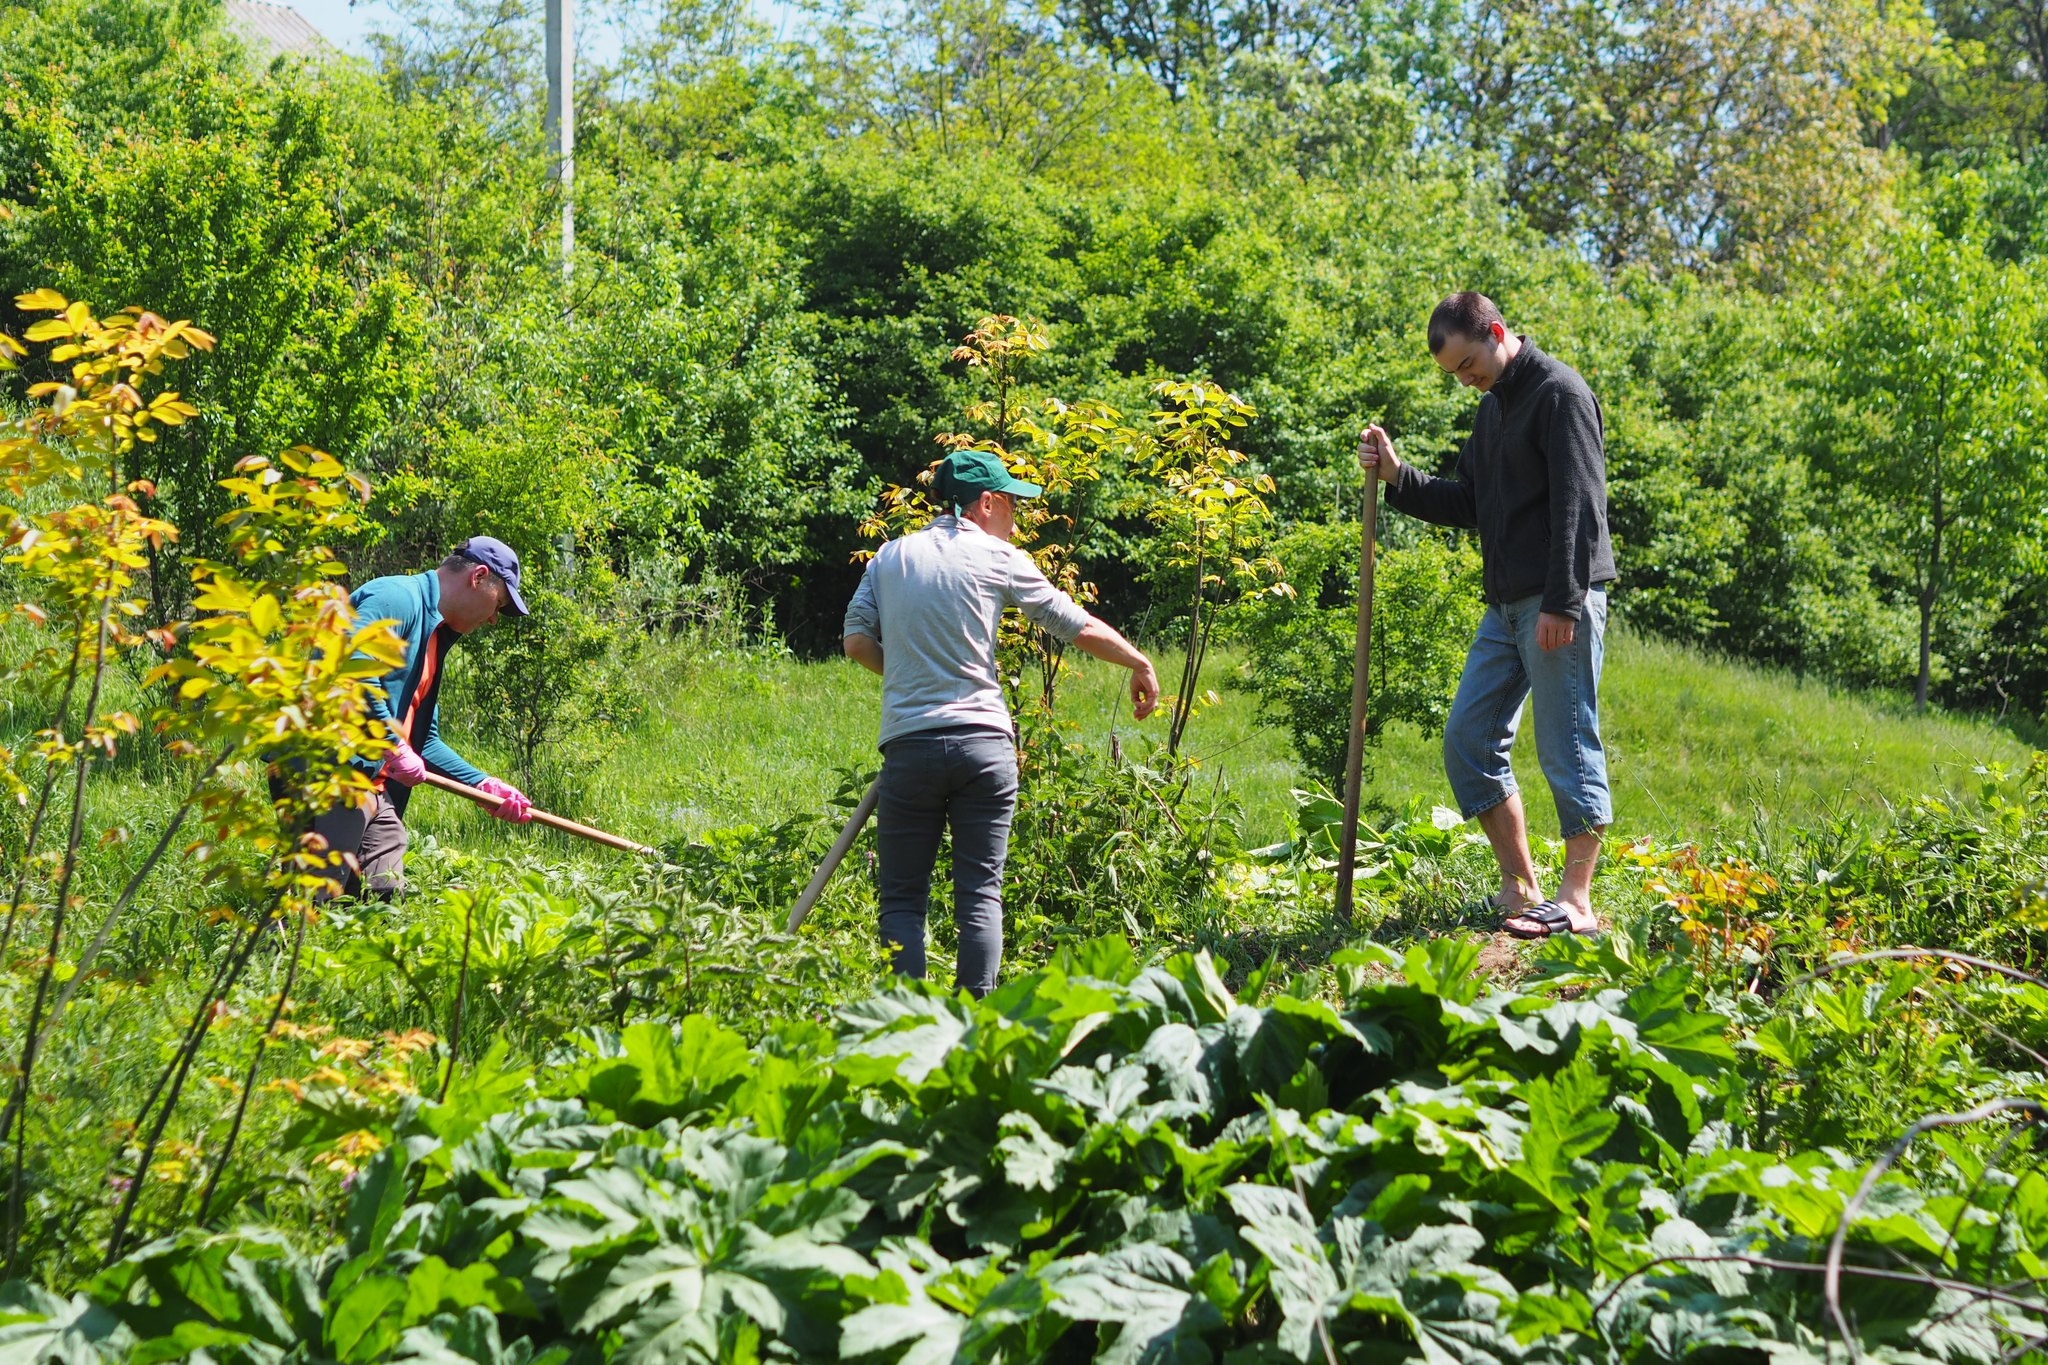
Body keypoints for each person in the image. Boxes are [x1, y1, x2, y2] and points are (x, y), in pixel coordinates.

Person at [843, 449, 1160, 996]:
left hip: (911, 747)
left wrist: (913, 677)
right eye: (1011, 503)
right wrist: (1137, 660)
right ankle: (976, 1030)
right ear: (985, 502)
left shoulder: (889, 558)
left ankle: (909, 1028)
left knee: (900, 900)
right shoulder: (997, 556)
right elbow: (1073, 625)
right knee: (980, 894)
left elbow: (854, 641)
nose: (1015, 516)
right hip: (984, 748)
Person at [1356, 292, 1616, 939]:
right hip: (1504, 605)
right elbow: (1471, 501)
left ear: (1498, 332)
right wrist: (1396, 476)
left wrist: (1564, 600)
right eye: (1456, 374)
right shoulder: (1492, 412)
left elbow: (1578, 506)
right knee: (1469, 740)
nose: (1466, 380)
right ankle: (1523, 885)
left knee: (1568, 746)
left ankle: (1577, 900)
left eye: (1469, 364)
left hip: (1560, 600)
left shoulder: (1560, 394)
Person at [310, 537, 537, 900]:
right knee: (310, 903)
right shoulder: (397, 598)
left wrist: (483, 785)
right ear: (478, 576)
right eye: (498, 604)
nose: (494, 618)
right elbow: (350, 666)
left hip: (373, 787)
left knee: (383, 899)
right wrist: (392, 743)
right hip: (329, 772)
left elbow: (423, 742)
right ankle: (266, 952)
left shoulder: (434, 636)